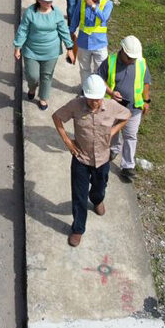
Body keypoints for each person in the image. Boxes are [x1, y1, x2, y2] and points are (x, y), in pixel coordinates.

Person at [52, 74, 131, 247]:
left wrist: (113, 131)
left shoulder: (111, 107)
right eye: (90, 99)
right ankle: (78, 229)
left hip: (102, 159)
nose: (93, 103)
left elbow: (127, 115)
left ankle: (97, 200)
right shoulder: (76, 105)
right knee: (79, 195)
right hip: (81, 158)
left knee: (99, 186)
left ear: (103, 96)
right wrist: (67, 141)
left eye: (97, 99)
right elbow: (57, 117)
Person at [97, 35, 152, 182]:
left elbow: (146, 83)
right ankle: (113, 150)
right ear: (122, 51)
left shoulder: (141, 63)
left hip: (133, 109)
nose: (131, 61)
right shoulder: (110, 61)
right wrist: (110, 92)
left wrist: (146, 101)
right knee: (113, 132)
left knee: (130, 136)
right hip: (113, 107)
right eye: (129, 58)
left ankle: (128, 166)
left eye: (133, 59)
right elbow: (99, 79)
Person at [13, 0, 75, 111]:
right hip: (31, 50)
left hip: (51, 52)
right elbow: (23, 30)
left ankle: (43, 98)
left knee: (46, 76)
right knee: (32, 76)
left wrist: (70, 48)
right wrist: (17, 46)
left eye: (50, 0)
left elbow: (64, 30)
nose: (49, 3)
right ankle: (32, 87)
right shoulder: (30, 12)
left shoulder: (56, 13)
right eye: (46, 1)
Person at [75, 0, 111, 83]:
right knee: (84, 69)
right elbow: (75, 18)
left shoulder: (108, 4)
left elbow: (104, 17)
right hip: (83, 42)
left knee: (100, 70)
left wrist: (93, 6)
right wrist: (71, 32)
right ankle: (86, 89)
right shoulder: (82, 1)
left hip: (99, 44)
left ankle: (97, 90)